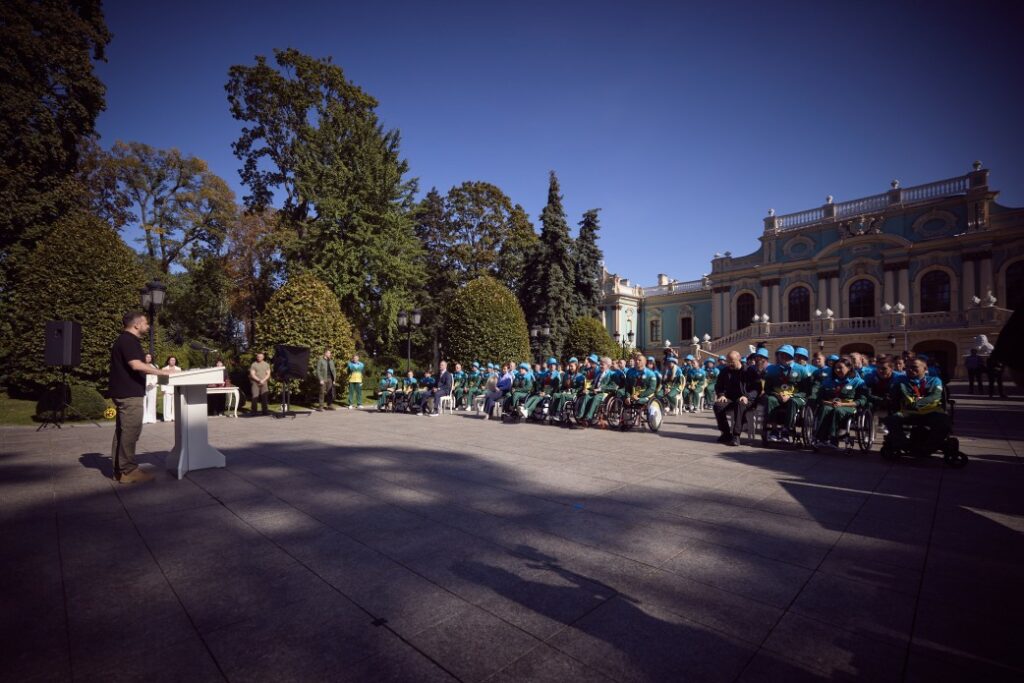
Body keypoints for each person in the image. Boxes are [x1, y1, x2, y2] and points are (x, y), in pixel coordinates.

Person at [108, 312, 170, 483]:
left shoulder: (124, 340)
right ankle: (128, 471)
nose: (148, 326)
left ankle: (118, 469)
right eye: (145, 323)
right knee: (131, 431)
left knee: (123, 431)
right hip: (129, 394)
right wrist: (162, 372)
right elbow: (136, 365)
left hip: (124, 392)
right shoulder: (128, 340)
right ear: (136, 325)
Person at [884, 357, 951, 456]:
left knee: (944, 422)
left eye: (914, 367)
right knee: (891, 420)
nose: (909, 369)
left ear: (925, 368)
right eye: (907, 367)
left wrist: (916, 404)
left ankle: (928, 448)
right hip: (909, 413)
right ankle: (906, 445)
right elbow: (892, 396)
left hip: (931, 412)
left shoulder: (934, 380)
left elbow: (935, 396)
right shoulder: (900, 381)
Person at [811, 356, 867, 447]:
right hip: (830, 404)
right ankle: (820, 438)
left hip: (849, 407)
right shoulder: (828, 381)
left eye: (840, 368)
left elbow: (862, 400)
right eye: (835, 368)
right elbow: (819, 398)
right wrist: (828, 403)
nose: (837, 370)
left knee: (838, 410)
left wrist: (843, 404)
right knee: (825, 409)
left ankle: (833, 439)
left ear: (849, 368)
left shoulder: (858, 382)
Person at [762, 344, 806, 440]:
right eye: (781, 354)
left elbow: (805, 390)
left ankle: (786, 430)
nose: (783, 357)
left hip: (795, 397)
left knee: (793, 402)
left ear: (792, 356)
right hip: (777, 396)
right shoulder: (772, 369)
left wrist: (791, 396)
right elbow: (767, 388)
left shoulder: (801, 370)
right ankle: (774, 430)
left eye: (787, 355)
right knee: (770, 399)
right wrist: (777, 395)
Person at [161, 356, 181, 421]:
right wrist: (163, 389)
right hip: (167, 388)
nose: (173, 361)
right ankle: (167, 417)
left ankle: (174, 417)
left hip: (175, 387)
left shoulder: (178, 369)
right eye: (171, 360)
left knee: (175, 403)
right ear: (168, 361)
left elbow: (180, 379)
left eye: (174, 360)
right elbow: (162, 379)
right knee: (167, 403)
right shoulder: (164, 369)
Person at [142, 352, 159, 424]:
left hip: (152, 385)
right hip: (143, 384)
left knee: (152, 401)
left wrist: (152, 383)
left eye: (150, 357)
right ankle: (144, 418)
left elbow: (156, 376)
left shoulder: (155, 366)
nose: (148, 358)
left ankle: (151, 418)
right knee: (143, 401)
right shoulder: (141, 366)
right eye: (147, 357)